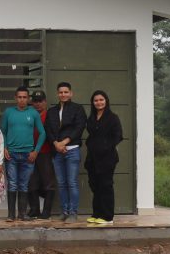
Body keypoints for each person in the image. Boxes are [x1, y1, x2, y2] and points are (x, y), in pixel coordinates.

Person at [0, 86, 45, 222]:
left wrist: (36, 151)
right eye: (19, 97)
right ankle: (11, 215)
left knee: (24, 185)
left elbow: (43, 133)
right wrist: (4, 148)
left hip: (28, 156)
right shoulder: (8, 112)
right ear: (15, 98)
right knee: (13, 184)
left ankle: (22, 214)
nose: (22, 99)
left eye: (25, 97)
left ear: (28, 99)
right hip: (11, 155)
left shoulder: (33, 113)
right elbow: (3, 132)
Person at [46, 82, 86, 222]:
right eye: (61, 92)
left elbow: (79, 127)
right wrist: (56, 143)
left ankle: (73, 213)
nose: (63, 94)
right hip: (57, 152)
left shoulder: (78, 109)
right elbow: (48, 130)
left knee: (72, 182)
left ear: (71, 93)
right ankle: (64, 211)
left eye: (66, 92)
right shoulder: (52, 111)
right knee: (61, 183)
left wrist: (64, 142)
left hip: (72, 150)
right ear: (57, 94)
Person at [85, 90, 123, 226]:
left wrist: (106, 146)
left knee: (105, 186)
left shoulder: (113, 118)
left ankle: (107, 217)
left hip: (107, 159)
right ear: (92, 103)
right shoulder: (91, 118)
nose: (99, 102)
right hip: (92, 159)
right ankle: (97, 214)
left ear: (106, 101)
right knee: (95, 186)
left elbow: (118, 136)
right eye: (96, 100)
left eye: (101, 100)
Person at [27, 91, 57, 220]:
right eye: (35, 101)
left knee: (48, 182)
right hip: (30, 153)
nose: (38, 104)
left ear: (45, 101)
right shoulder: (29, 114)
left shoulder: (50, 115)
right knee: (31, 182)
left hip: (45, 152)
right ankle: (34, 210)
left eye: (40, 101)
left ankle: (46, 211)